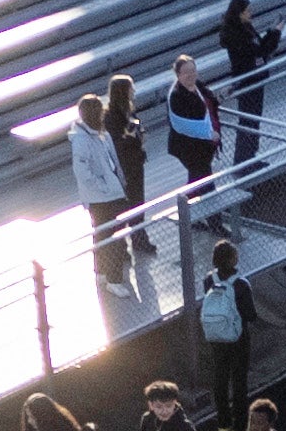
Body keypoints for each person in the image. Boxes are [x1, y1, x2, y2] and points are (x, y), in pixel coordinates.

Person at [68, 93, 131, 295]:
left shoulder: (103, 134)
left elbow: (113, 161)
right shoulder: (81, 140)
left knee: (103, 234)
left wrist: (119, 180)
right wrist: (105, 186)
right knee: (113, 236)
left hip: (112, 192)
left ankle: (102, 272)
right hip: (101, 196)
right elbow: (82, 171)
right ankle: (113, 279)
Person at [197, 239, 256, 427]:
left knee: (220, 377)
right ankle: (240, 424)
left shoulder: (208, 280)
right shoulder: (241, 284)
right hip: (238, 337)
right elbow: (250, 314)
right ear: (233, 260)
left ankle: (223, 421)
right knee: (239, 379)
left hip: (216, 336)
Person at [217, 0, 280, 165]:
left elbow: (260, 49)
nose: (250, 14)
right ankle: (244, 159)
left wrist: (273, 33)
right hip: (247, 81)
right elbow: (257, 52)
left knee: (253, 120)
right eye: (247, 11)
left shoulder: (246, 28)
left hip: (254, 78)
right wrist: (275, 34)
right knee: (248, 120)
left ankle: (249, 157)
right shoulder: (236, 34)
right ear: (239, 13)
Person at [102, 73, 158, 255]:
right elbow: (115, 143)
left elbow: (135, 128)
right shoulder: (110, 116)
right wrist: (131, 136)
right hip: (123, 167)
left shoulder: (129, 110)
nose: (133, 91)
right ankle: (121, 247)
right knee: (123, 206)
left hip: (135, 162)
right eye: (130, 88)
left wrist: (139, 133)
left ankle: (139, 240)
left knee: (138, 204)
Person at [164, 53, 222, 196]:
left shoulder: (198, 86)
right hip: (189, 147)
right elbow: (184, 125)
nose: (191, 75)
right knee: (204, 182)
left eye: (193, 71)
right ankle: (213, 215)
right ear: (178, 75)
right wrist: (209, 133)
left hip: (204, 146)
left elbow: (211, 101)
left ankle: (188, 209)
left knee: (197, 181)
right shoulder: (176, 96)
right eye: (186, 73)